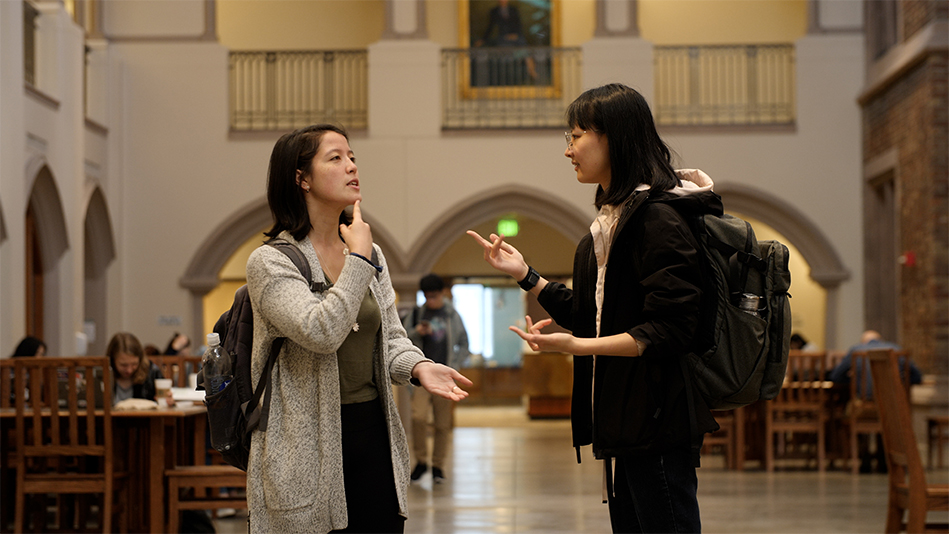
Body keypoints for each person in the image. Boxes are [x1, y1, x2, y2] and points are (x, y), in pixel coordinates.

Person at [468, 83, 719, 533]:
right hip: (627, 420)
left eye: (577, 135)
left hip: (657, 418)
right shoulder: (608, 224)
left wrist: (579, 347)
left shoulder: (658, 219)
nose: (568, 150)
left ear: (614, 137)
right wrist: (526, 274)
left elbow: (674, 328)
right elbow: (592, 315)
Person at [244, 124, 472, 533]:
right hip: (304, 447)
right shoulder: (271, 262)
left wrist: (419, 367)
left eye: (352, 157)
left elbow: (392, 339)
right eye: (335, 158)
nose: (352, 166)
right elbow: (322, 331)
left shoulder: (371, 253)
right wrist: (359, 260)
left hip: (373, 435)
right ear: (302, 179)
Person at [403, 274, 472, 484]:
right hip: (423, 377)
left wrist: (455, 365)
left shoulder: (452, 315)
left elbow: (464, 344)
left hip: (445, 377)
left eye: (433, 296)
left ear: (442, 293)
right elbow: (401, 339)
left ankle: (438, 466)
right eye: (426, 296)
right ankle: (422, 461)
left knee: (443, 424)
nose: (430, 300)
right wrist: (417, 331)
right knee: (418, 417)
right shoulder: (417, 314)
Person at [828, 330, 921, 472]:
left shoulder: (856, 350)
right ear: (881, 339)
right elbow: (917, 377)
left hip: (864, 407)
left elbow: (836, 376)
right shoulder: (896, 350)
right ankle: (887, 461)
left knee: (849, 410)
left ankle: (863, 458)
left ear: (864, 341)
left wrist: (855, 379)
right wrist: (899, 383)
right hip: (894, 407)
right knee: (885, 416)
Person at [106, 332, 174, 406]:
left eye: (134, 364)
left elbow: (165, 404)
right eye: (123, 365)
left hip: (143, 417)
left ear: (140, 359)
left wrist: (169, 402)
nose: (129, 370)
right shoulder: (102, 375)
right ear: (112, 361)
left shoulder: (152, 372)